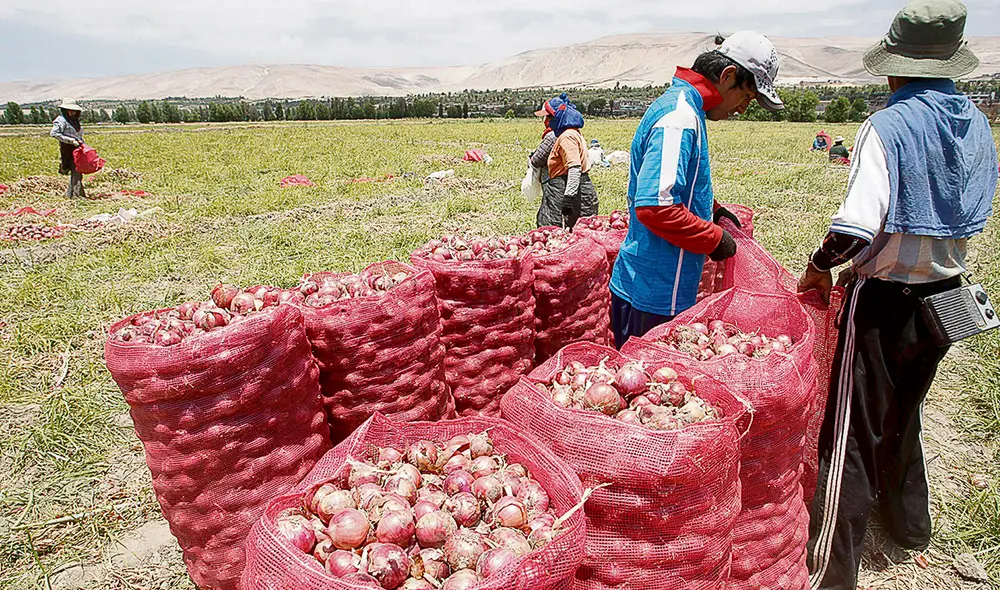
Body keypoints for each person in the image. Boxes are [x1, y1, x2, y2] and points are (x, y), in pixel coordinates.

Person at [797, 2, 998, 588]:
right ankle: (910, 527)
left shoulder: (888, 125)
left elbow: (856, 227)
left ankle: (832, 569)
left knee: (850, 431)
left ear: (893, 68)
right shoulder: (976, 122)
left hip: (885, 299)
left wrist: (817, 267)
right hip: (948, 294)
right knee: (905, 411)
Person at [610, 31, 784, 348]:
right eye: (746, 97)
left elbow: (678, 184)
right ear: (727, 75)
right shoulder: (679, 118)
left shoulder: (686, 109)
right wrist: (714, 238)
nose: (743, 109)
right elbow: (656, 207)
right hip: (654, 294)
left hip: (658, 286)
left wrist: (713, 209)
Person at [538, 99, 599, 229]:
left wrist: (568, 197)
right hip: (578, 187)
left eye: (549, 116)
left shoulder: (567, 137)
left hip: (566, 187)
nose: (547, 120)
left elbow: (574, 168)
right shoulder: (574, 132)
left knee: (553, 229)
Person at [50, 98, 86, 199]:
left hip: (77, 148)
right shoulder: (61, 120)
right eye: (70, 110)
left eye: (74, 110)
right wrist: (70, 140)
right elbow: (54, 133)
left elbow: (78, 135)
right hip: (67, 149)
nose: (72, 112)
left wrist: (83, 144)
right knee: (76, 170)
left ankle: (71, 195)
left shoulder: (75, 121)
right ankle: (77, 196)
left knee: (77, 171)